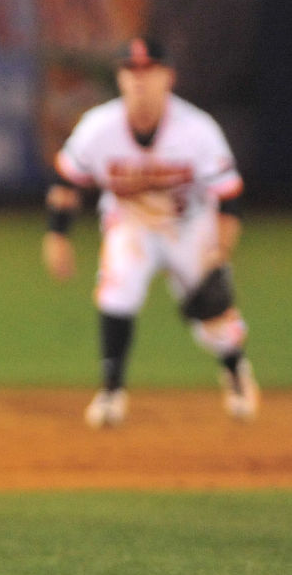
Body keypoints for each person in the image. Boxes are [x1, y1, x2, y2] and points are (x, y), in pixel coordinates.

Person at [44, 38, 258, 428]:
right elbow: (66, 181)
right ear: (119, 79)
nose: (139, 79)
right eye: (130, 70)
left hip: (190, 226)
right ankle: (111, 392)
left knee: (213, 318)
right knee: (116, 293)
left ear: (168, 77)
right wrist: (57, 235)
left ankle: (235, 369)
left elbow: (228, 199)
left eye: (149, 70)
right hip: (130, 224)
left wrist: (220, 253)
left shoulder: (197, 130)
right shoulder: (98, 127)